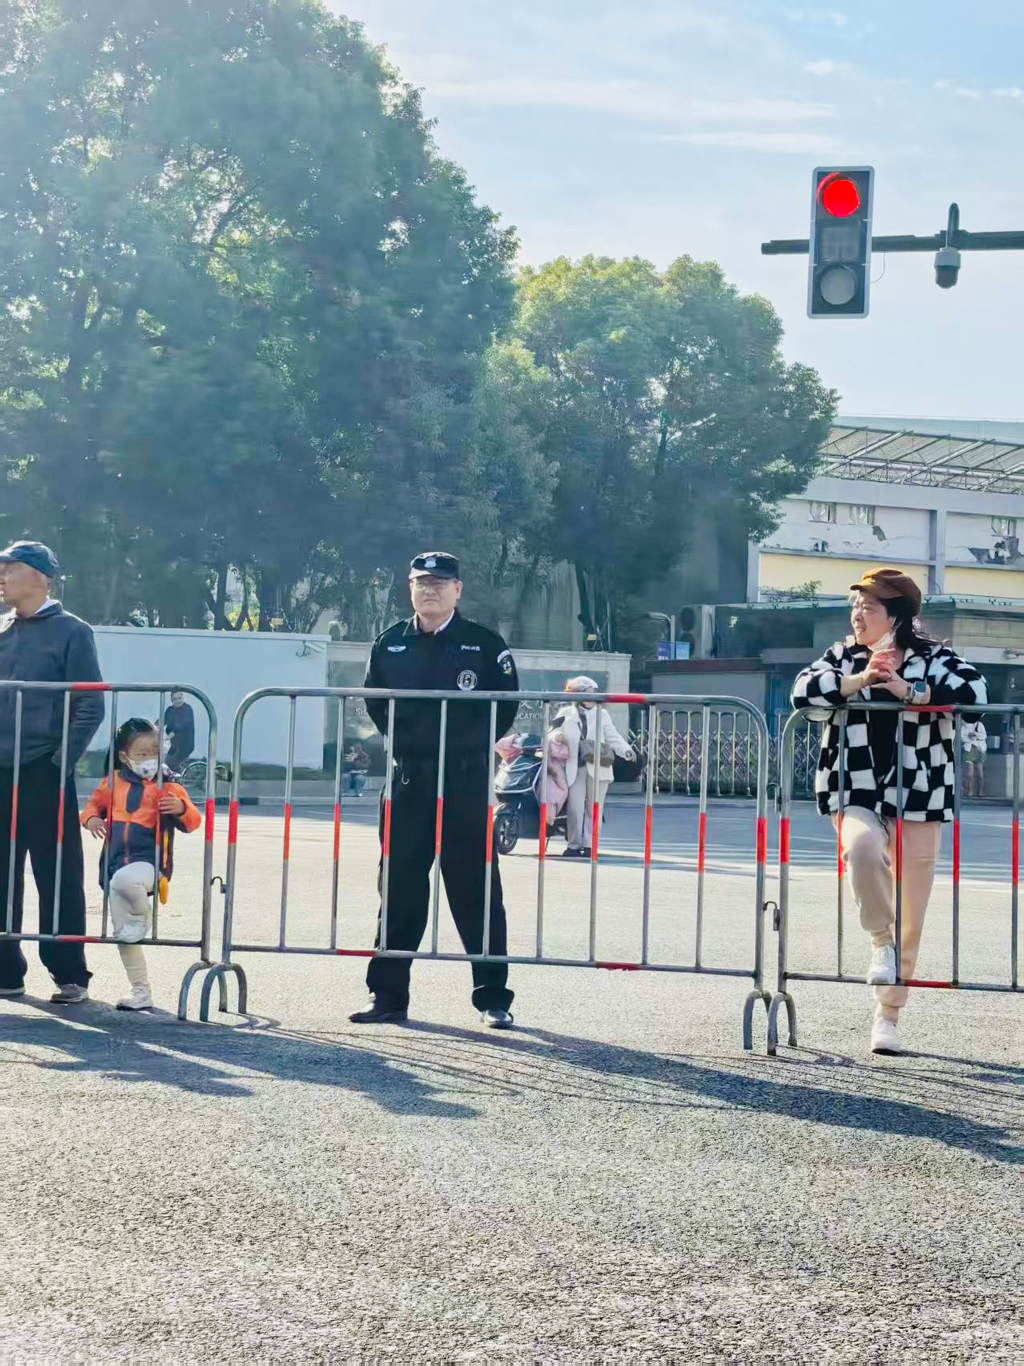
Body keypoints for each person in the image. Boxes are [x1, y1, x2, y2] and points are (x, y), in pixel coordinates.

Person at [793, 568, 987, 1056]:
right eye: (855, 607)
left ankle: (887, 1016)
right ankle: (881, 941)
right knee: (860, 850)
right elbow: (803, 691)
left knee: (912, 913)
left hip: (919, 794)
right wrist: (858, 680)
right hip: (854, 787)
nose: (858, 616)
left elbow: (976, 695)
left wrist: (911, 692)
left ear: (896, 615)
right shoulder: (842, 656)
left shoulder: (935, 659)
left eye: (869, 608)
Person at [349, 551, 519, 1028]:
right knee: (399, 886)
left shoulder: (483, 644)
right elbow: (376, 703)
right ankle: (388, 997)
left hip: (464, 779)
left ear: (457, 591)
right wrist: (414, 744)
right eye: (422, 583)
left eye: (441, 583)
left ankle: (493, 997)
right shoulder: (390, 644)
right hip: (409, 778)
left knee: (475, 888)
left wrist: (464, 747)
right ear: (410, 588)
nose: (431, 590)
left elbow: (504, 706)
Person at [0, 541, 103, 1004]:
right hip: (0, 771)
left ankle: (69, 974)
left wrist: (59, 762)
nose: (2, 576)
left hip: (45, 769)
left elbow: (91, 704)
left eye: (10, 567)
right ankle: (6, 971)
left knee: (57, 874)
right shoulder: (1, 631)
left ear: (41, 577)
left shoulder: (72, 632)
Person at [82, 719, 201, 1010]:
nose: (149, 759)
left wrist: (181, 808)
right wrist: (92, 819)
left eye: (155, 752)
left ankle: (142, 916)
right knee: (125, 935)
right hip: (114, 867)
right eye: (142, 753)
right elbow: (90, 807)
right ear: (125, 756)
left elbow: (193, 821)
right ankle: (140, 991)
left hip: (150, 865)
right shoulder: (111, 783)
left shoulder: (168, 785)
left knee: (127, 884)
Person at [556, 676, 635, 857]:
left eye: (594, 693)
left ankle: (590, 845)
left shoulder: (602, 714)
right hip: (575, 766)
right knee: (574, 808)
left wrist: (626, 750)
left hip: (599, 766)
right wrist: (557, 738)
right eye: (587, 693)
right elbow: (553, 733)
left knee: (594, 808)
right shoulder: (566, 712)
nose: (591, 697)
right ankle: (573, 845)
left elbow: (612, 736)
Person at [163, 690, 195, 775]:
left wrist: (170, 735)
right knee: (167, 762)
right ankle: (177, 777)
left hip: (185, 744)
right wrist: (153, 727)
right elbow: (163, 720)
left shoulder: (187, 709)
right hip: (174, 745)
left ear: (182, 698)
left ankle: (180, 779)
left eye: (179, 698)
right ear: (172, 700)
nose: (178, 701)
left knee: (173, 762)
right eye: (175, 699)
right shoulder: (170, 710)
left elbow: (180, 725)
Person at [961, 717, 987, 799]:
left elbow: (984, 736)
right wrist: (970, 737)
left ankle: (981, 792)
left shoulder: (979, 725)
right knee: (970, 773)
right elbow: (961, 737)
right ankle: (970, 791)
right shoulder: (963, 726)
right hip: (968, 749)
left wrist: (976, 734)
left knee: (980, 772)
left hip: (979, 749)